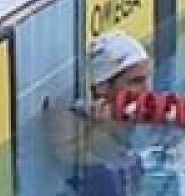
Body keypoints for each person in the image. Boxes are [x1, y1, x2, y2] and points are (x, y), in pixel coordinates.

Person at [51, 30, 152, 196]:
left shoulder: (128, 123)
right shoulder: (66, 120)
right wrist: (104, 130)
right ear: (101, 85)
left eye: (145, 80)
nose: (146, 91)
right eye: (136, 81)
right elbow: (68, 154)